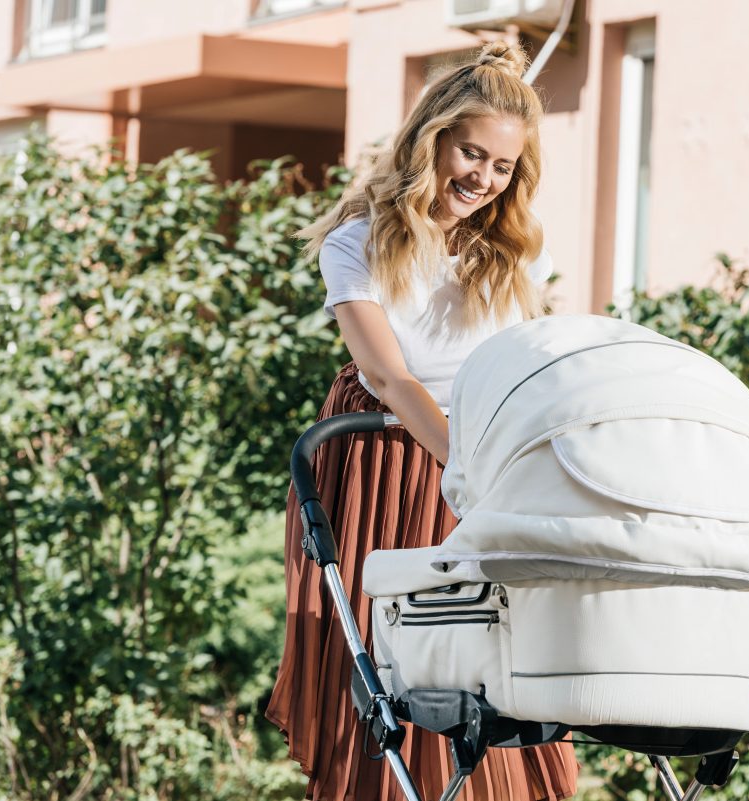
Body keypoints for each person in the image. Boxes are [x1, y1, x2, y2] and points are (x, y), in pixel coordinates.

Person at [266, 42, 579, 801]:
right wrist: (464, 462)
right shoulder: (359, 243)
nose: (483, 177)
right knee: (389, 655)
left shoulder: (505, 258)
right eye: (472, 152)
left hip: (475, 460)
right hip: (382, 458)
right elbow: (386, 373)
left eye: (502, 166)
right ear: (431, 138)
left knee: (486, 651)